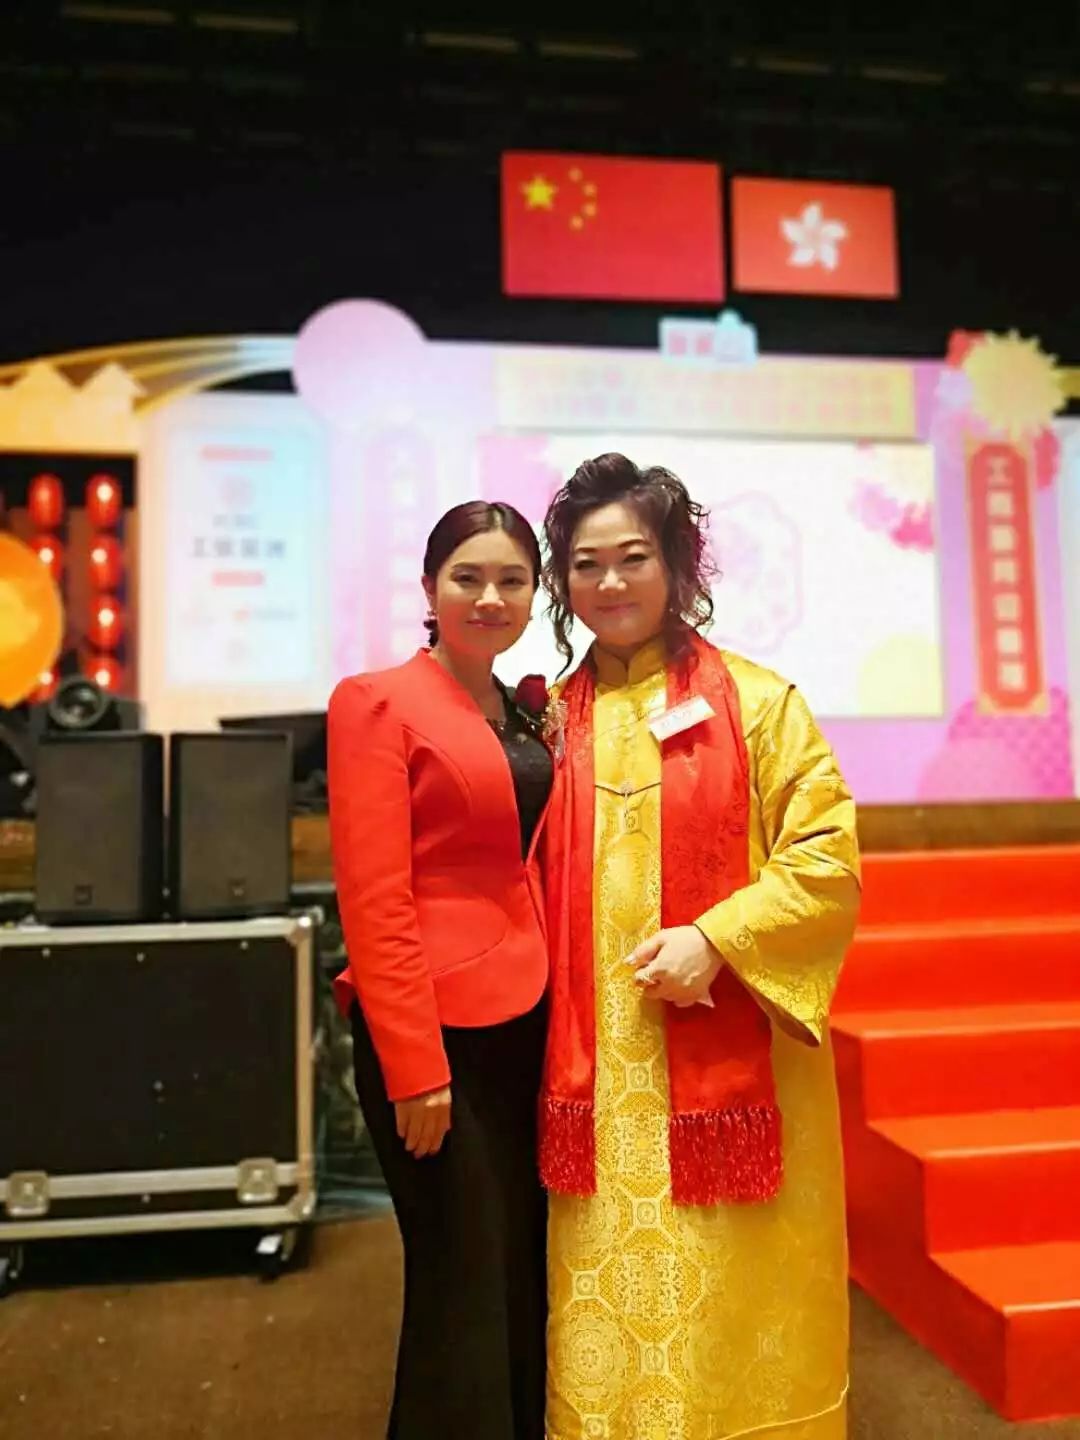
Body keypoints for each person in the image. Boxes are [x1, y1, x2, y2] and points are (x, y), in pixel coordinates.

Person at [539, 454, 861, 1440]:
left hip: (728, 1049)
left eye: (633, 557)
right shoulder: (548, 720)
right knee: (606, 1295)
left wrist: (719, 938)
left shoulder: (759, 704)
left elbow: (827, 857)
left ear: (678, 563)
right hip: (598, 1074)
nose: (610, 582)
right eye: (585, 564)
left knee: (733, 1291)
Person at [327, 500, 553, 1440]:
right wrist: (415, 1068)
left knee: (521, 1272)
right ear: (429, 588)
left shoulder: (528, 708)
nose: (489, 597)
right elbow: (376, 899)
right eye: (468, 577)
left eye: (512, 580)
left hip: (530, 1022)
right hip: (434, 1037)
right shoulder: (375, 702)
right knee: (461, 1286)